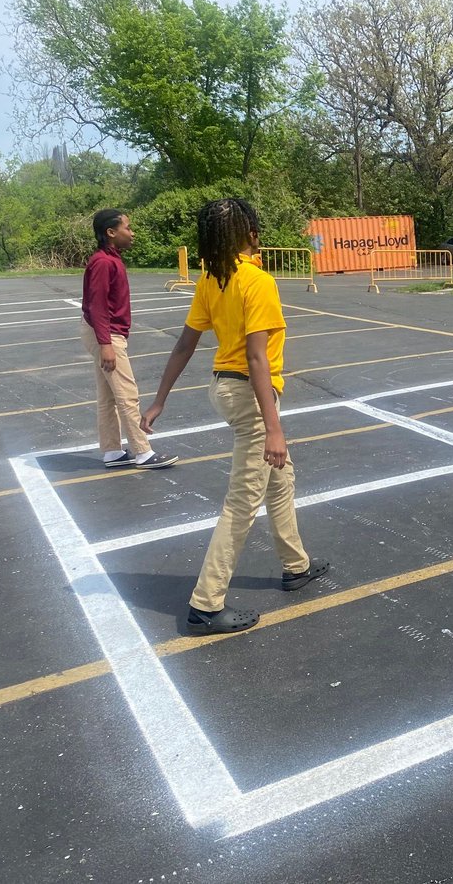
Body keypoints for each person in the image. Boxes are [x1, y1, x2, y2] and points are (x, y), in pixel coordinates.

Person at [141, 199, 329, 636]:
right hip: (250, 395)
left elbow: (185, 343)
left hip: (224, 388)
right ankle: (206, 605)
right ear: (251, 233)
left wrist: (159, 400)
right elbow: (257, 358)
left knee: (280, 479)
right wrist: (274, 428)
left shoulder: (212, 277)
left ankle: (295, 565)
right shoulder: (257, 281)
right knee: (243, 500)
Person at [80, 209, 177, 471]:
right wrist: (106, 344)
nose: (132, 232)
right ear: (111, 233)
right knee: (126, 393)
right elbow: (97, 305)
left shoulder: (111, 260)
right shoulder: (103, 262)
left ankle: (112, 451)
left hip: (105, 333)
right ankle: (143, 451)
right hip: (105, 333)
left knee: (108, 396)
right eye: (127, 227)